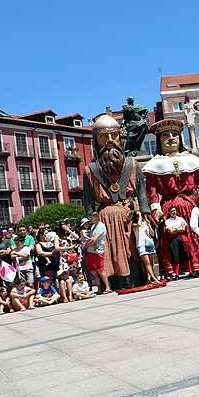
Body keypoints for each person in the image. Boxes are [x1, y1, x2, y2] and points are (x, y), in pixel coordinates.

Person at [83, 113, 151, 289]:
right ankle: (116, 283)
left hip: (131, 214)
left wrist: (146, 214)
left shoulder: (132, 164)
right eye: (104, 136)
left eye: (114, 135)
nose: (110, 140)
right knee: (110, 252)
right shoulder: (90, 171)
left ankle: (139, 278)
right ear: (96, 140)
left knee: (135, 249)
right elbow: (88, 202)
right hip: (106, 220)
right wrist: (91, 225)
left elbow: (143, 192)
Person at [143, 118, 199, 279]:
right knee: (168, 240)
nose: (171, 137)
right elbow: (152, 190)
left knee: (193, 236)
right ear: (159, 140)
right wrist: (155, 208)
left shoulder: (191, 160)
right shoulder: (155, 164)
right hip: (168, 206)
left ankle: (196, 266)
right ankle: (172, 270)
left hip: (190, 205)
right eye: (165, 135)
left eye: (174, 134)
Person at [130, 210, 161, 284]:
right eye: (138, 215)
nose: (140, 216)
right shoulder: (134, 224)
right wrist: (140, 216)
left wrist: (149, 225)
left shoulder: (145, 223)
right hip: (141, 244)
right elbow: (138, 224)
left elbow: (152, 234)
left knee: (151, 263)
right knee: (147, 263)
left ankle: (149, 279)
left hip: (149, 243)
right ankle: (154, 278)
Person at [84, 211, 111, 293]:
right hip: (90, 251)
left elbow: (94, 239)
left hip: (97, 251)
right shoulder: (93, 226)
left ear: (96, 217)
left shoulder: (100, 226)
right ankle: (99, 288)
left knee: (100, 269)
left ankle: (107, 287)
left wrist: (85, 245)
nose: (90, 219)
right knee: (93, 271)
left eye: (91, 217)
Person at [162, 206, 192, 279]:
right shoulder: (168, 221)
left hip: (183, 238)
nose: (174, 212)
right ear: (169, 212)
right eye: (172, 211)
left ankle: (190, 272)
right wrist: (178, 229)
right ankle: (177, 274)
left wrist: (175, 229)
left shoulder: (181, 219)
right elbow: (170, 231)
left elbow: (183, 229)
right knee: (176, 256)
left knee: (186, 255)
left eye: (174, 210)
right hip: (174, 240)